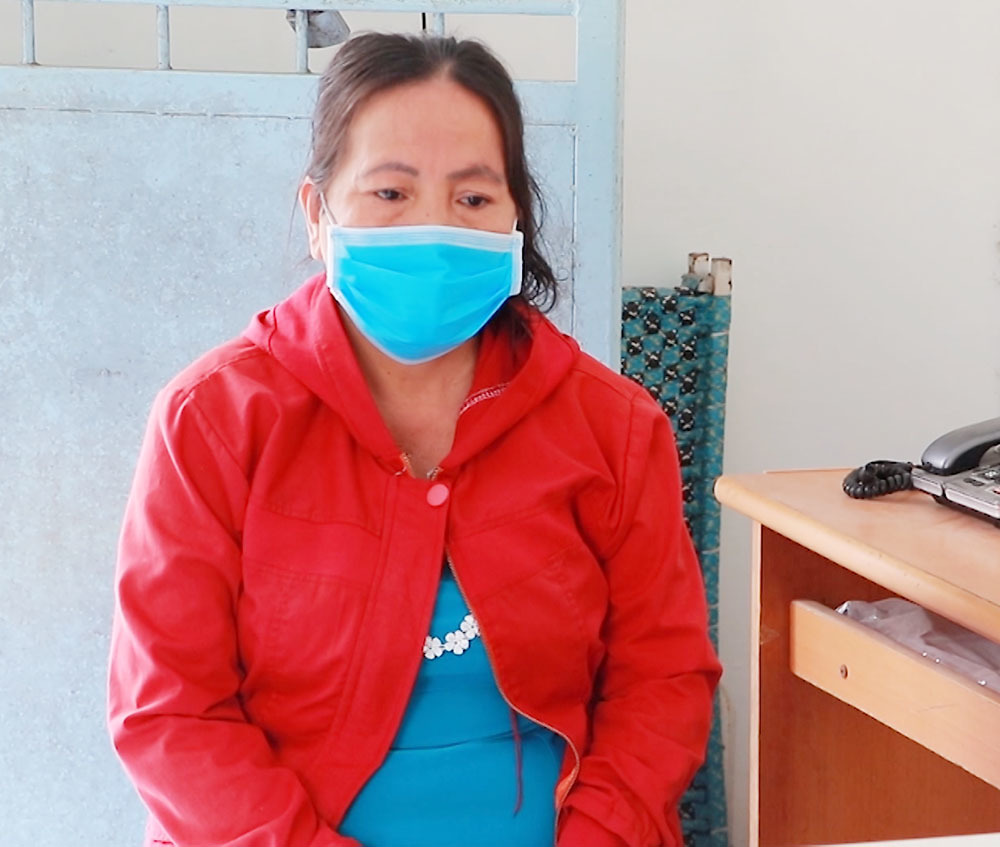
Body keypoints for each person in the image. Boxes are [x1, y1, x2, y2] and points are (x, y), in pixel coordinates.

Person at [107, 32, 721, 847]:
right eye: (391, 192)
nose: (433, 226)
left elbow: (663, 679)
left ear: (515, 220)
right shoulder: (212, 420)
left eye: (473, 199)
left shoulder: (615, 427)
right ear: (317, 213)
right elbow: (169, 710)